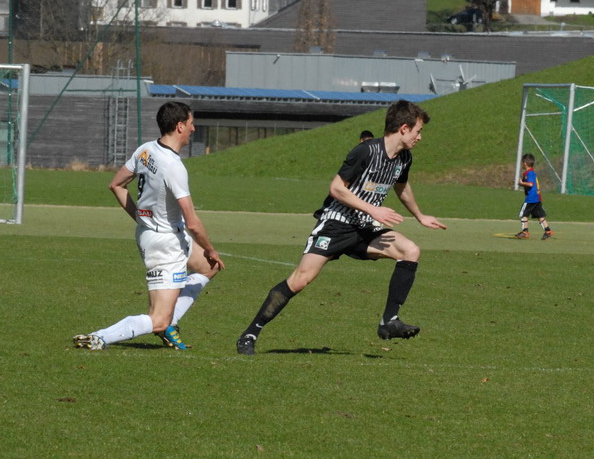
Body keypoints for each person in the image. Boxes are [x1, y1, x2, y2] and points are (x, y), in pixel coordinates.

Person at [237, 100, 447, 355]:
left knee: (410, 250)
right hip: (336, 225)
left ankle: (389, 321)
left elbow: (401, 187)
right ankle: (250, 333)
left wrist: (420, 216)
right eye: (418, 131)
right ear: (404, 128)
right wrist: (372, 209)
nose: (420, 137)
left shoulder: (404, 158)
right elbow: (336, 188)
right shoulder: (365, 151)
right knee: (300, 280)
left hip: (365, 228)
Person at [73, 101, 225, 350]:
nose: (193, 128)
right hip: (165, 244)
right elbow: (193, 223)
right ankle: (100, 337)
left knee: (209, 267)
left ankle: (170, 323)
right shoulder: (173, 166)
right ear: (180, 126)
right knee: (158, 319)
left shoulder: (146, 150)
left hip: (154, 234)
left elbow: (116, 185)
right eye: (191, 123)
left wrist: (142, 219)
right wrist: (211, 249)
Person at [515, 153, 554, 240]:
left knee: (524, 214)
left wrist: (521, 183)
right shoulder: (530, 173)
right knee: (540, 216)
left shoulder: (530, 173)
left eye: (522, 163)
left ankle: (525, 231)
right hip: (537, 198)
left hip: (531, 199)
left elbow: (530, 184)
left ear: (525, 163)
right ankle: (548, 231)